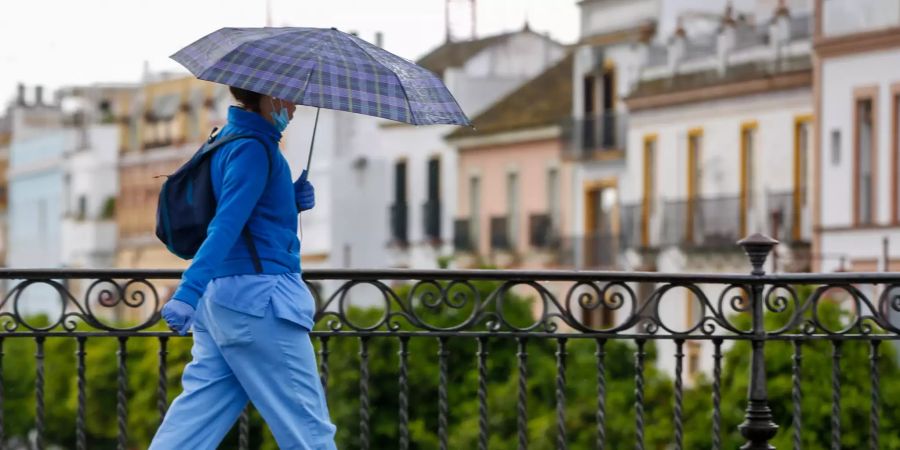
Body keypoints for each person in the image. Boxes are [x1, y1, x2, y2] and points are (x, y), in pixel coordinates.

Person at [150, 87, 337, 450]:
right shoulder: (254, 148)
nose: (295, 107)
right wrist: (187, 292)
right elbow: (226, 226)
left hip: (223, 302)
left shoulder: (227, 139)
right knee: (309, 431)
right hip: (260, 301)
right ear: (270, 99)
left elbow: (246, 220)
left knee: (190, 429)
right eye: (290, 98)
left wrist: (287, 202)